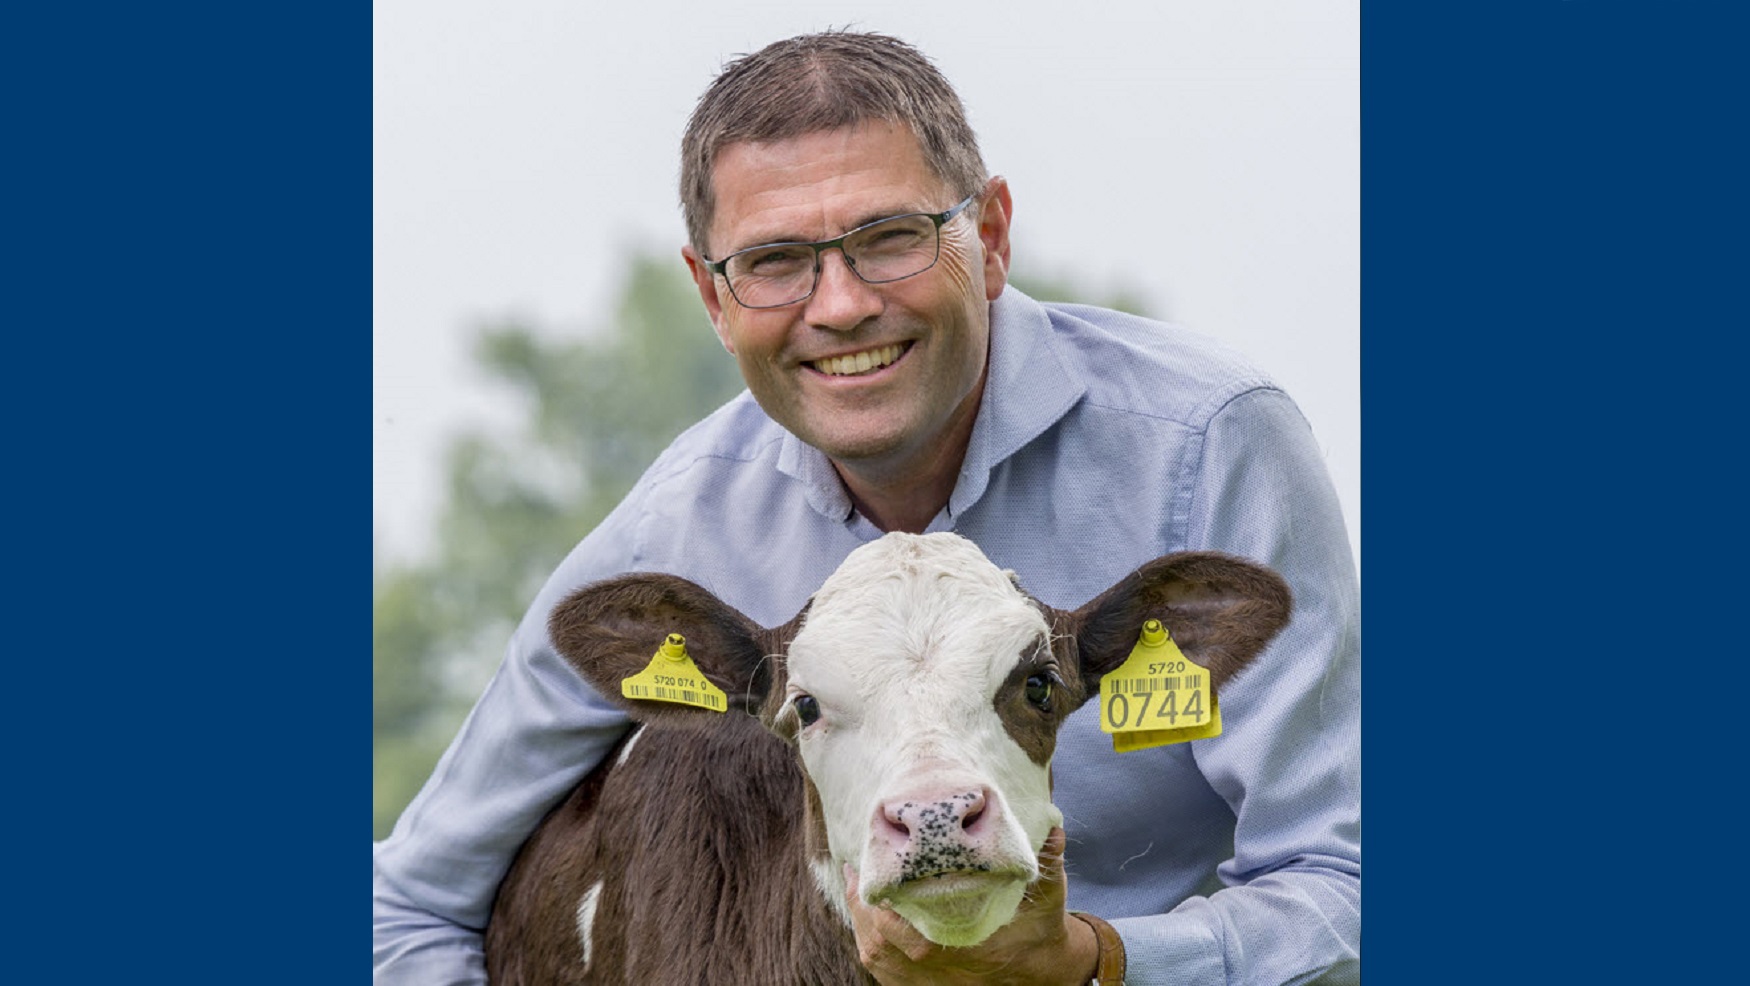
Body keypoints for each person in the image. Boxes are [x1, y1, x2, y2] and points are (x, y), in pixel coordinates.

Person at [374, 29, 1360, 986]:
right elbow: (407, 905)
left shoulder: (1204, 446)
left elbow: (1349, 881)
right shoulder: (679, 531)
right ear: (712, 300)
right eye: (773, 261)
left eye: (890, 239)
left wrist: (1095, 962)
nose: (840, 305)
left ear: (991, 238)